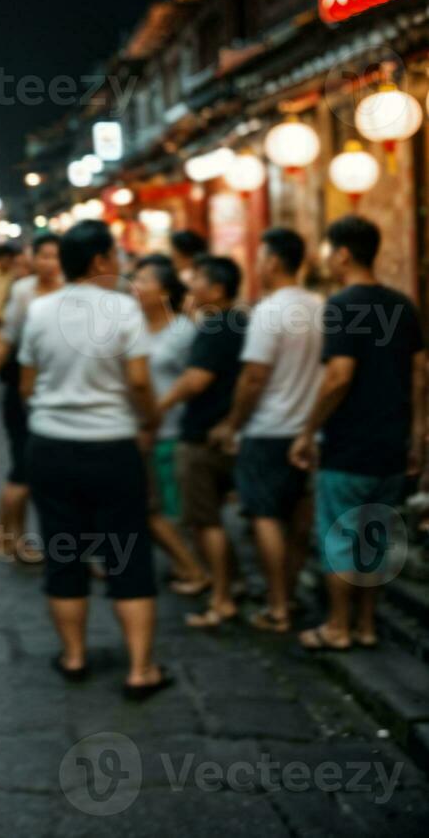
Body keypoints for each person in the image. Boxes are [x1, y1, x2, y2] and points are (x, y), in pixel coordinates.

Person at [18, 220, 167, 699]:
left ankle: (75, 657)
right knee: (129, 554)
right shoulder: (125, 310)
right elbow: (140, 382)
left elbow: (25, 385)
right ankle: (141, 669)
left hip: (52, 446)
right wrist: (149, 422)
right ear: (102, 260)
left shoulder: (41, 310)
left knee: (63, 553)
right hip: (113, 446)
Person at [291, 216, 425, 651]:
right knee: (375, 539)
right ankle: (365, 626)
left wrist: (307, 431)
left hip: (349, 444)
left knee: (340, 539)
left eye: (330, 251)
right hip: (392, 443)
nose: (328, 260)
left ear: (343, 254)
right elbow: (421, 374)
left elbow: (338, 377)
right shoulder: (403, 305)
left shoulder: (343, 305)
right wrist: (418, 437)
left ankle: (337, 627)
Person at [209, 228, 321, 632]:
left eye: (260, 258)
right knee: (297, 518)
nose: (258, 265)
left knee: (265, 515)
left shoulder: (269, 312)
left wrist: (232, 424)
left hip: (269, 428)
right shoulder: (321, 306)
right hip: (310, 430)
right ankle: (287, 594)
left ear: (273, 262)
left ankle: (277, 606)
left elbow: (254, 378)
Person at [158, 256, 248, 630]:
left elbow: (196, 380)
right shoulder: (241, 322)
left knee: (204, 520)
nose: (190, 286)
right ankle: (235, 583)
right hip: (230, 432)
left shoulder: (216, 329)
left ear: (217, 290)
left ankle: (222, 599)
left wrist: (157, 408)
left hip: (202, 437)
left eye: (196, 280)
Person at [0, 233, 62, 563]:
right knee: (23, 468)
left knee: (42, 471)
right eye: (43, 256)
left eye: (55, 256)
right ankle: (8, 536)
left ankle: (12, 535)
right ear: (32, 259)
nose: (49, 263)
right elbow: (5, 339)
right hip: (22, 392)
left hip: (57, 393)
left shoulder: (73, 292)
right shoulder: (24, 292)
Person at [130, 254, 207, 594]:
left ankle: (193, 567)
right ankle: (185, 564)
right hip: (135, 429)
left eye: (144, 280)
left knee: (172, 506)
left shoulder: (184, 332)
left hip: (172, 430)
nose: (136, 287)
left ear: (164, 291)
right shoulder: (130, 327)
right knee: (148, 503)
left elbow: (196, 381)